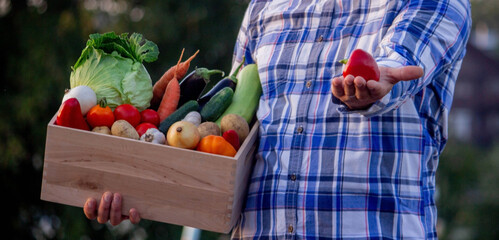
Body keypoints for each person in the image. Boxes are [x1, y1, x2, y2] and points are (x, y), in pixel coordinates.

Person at [84, 0, 471, 239]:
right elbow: (232, 139)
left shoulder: (431, 1)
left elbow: (397, 63)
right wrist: (140, 186)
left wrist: (375, 77)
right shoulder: (265, 8)